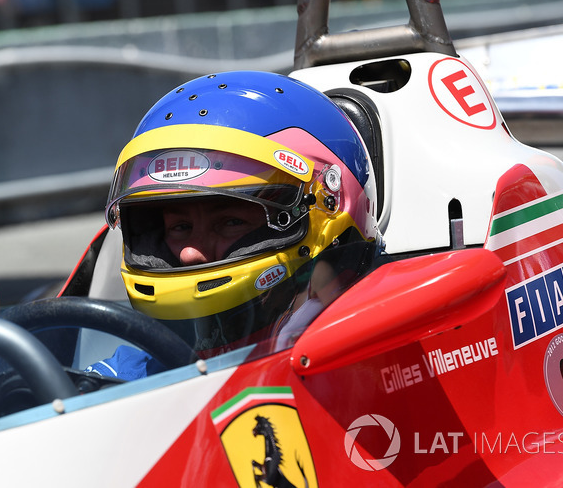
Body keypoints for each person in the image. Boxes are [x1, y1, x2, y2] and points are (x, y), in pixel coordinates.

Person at [85, 70, 383, 380]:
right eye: (179, 227)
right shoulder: (143, 367)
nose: (190, 254)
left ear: (328, 209)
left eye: (230, 221)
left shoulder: (379, 346)